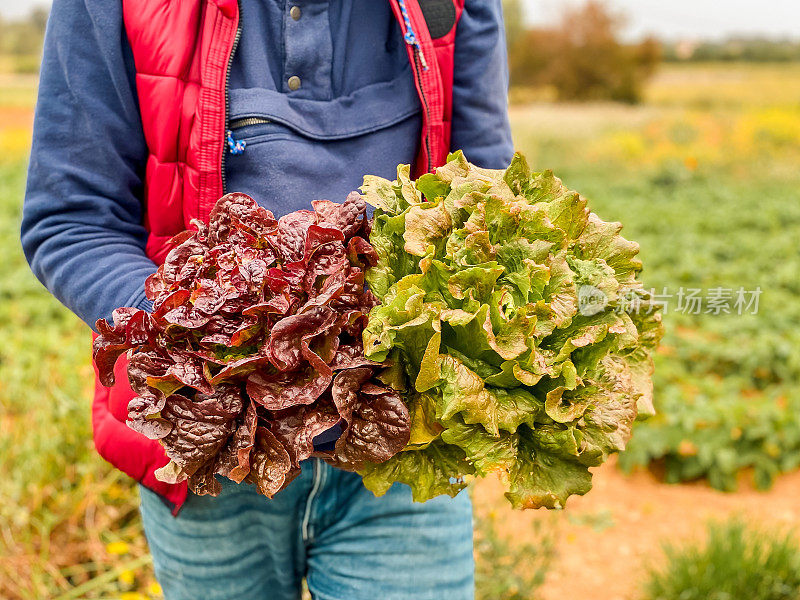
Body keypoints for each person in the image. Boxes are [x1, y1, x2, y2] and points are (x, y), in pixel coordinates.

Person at [21, 1, 513, 598]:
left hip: (404, 450)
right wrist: (210, 350)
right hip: (209, 453)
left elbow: (480, 197)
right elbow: (71, 221)